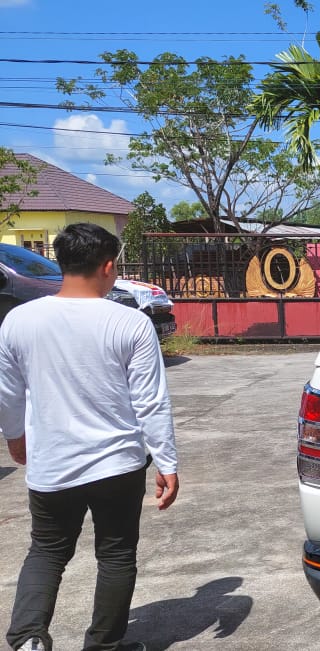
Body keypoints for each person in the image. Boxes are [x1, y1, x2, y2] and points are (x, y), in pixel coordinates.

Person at [0, 223, 179, 651]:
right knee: (116, 555)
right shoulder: (130, 323)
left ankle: (28, 639)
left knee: (46, 551)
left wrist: (14, 437)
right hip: (117, 464)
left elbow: (8, 391)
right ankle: (103, 644)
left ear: (61, 262)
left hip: (52, 463)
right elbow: (151, 402)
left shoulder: (18, 321)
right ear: (109, 265)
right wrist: (167, 461)